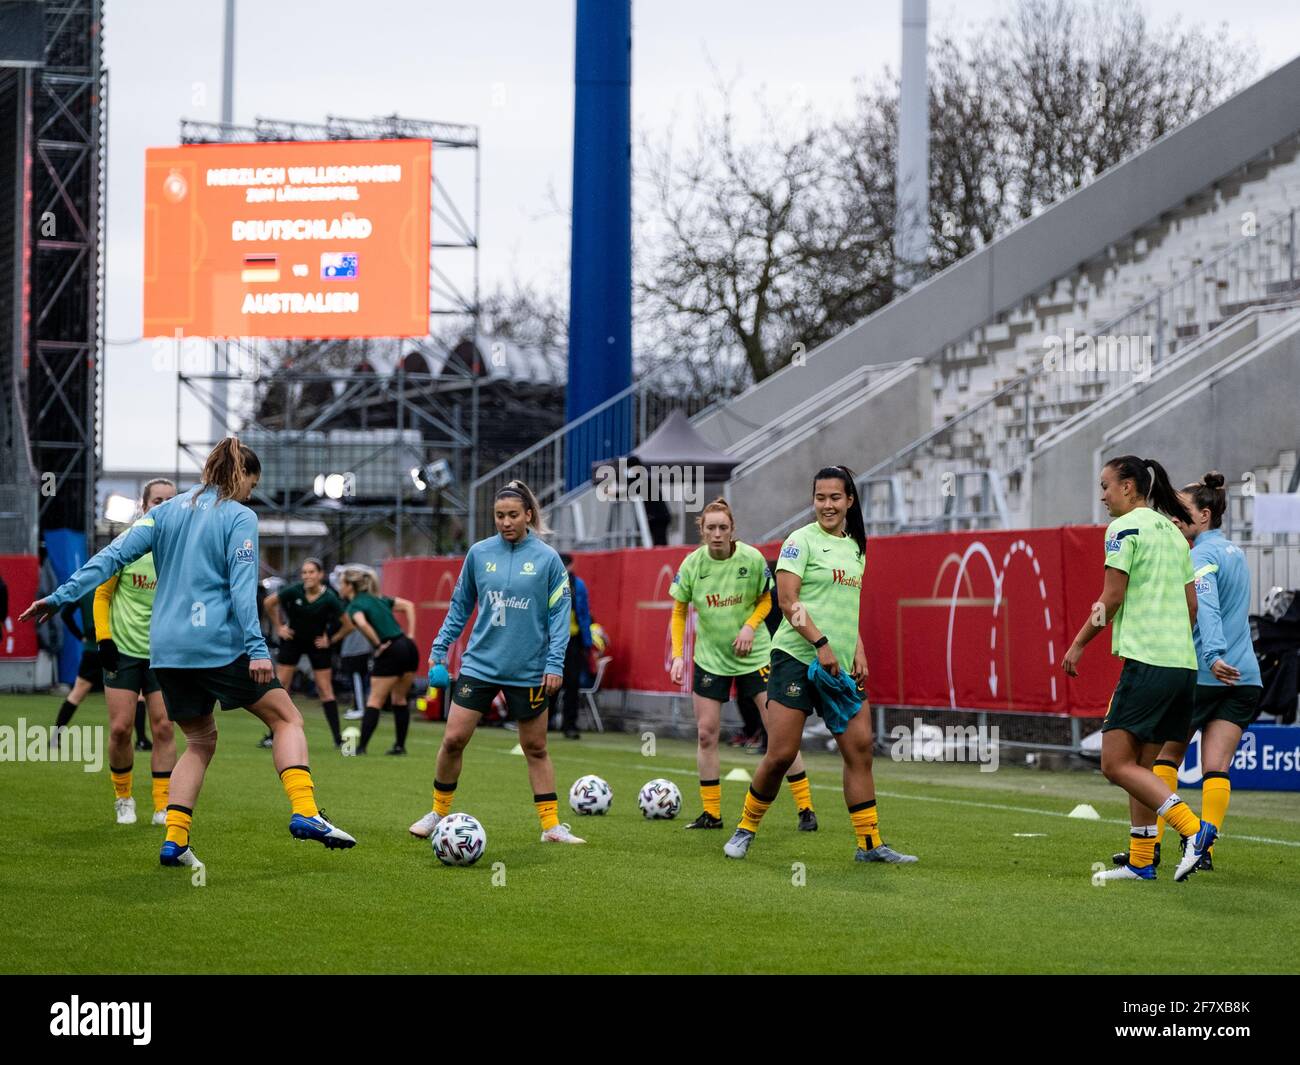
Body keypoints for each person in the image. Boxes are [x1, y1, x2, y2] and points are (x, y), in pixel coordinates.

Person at [20, 437, 356, 870]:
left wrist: (60, 596)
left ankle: (175, 842)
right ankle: (306, 811)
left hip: (166, 651)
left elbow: (110, 557)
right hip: (216, 644)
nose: (251, 493)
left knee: (199, 740)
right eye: (251, 483)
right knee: (286, 718)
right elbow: (241, 586)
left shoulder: (163, 511)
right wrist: (257, 649)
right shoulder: (239, 516)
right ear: (240, 476)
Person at [723, 466, 915, 865]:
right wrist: (821, 643)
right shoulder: (799, 541)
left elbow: (844, 608)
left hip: (839, 664)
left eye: (834, 498)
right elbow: (788, 602)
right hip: (796, 657)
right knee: (780, 753)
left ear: (849, 501)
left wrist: (856, 648)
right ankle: (745, 829)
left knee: (860, 751)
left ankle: (869, 845)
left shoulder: (857, 548)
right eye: (820, 497)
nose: (827, 505)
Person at [1063, 455, 1215, 883]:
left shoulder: (1123, 528)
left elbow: (1110, 600)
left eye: (1106, 486)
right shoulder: (1174, 532)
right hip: (1181, 666)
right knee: (1141, 769)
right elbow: (1191, 606)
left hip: (1147, 663)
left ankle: (1193, 829)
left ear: (1129, 487)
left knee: (1114, 764)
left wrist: (1077, 645)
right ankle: (1143, 858)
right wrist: (1171, 642)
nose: (1103, 496)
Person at [410, 480, 581, 845]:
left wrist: (555, 664)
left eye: (513, 515)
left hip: (530, 669)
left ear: (529, 516)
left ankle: (551, 827)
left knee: (535, 748)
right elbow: (460, 607)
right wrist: (439, 648)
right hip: (480, 666)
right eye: (499, 516)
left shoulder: (548, 559)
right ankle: (438, 813)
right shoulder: (479, 554)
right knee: (454, 738)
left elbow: (559, 616)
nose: (505, 522)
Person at [1111, 471, 1262, 874]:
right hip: (1246, 675)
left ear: (1206, 514)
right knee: (1217, 765)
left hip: (1209, 672)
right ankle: (1204, 851)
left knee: (1162, 758)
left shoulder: (1199, 556)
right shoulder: (1235, 552)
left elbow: (1206, 607)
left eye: (1183, 511)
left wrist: (1212, 654)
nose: (1175, 517)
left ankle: (1156, 846)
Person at [669, 497, 817, 831]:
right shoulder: (692, 564)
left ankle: (806, 808)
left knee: (780, 733)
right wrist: (678, 655)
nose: (717, 533)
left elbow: (767, 599)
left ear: (732, 529)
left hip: (756, 657)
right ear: (702, 531)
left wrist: (750, 626)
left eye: (723, 527)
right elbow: (679, 611)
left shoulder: (750, 559)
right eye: (711, 528)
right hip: (710, 659)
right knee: (706, 734)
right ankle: (712, 814)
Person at [93, 477, 179, 825]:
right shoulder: (126, 544)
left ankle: (163, 805)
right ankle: (123, 797)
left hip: (164, 654)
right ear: (144, 506)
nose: (162, 506)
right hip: (124, 650)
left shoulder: (179, 552)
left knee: (163, 728)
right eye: (157, 500)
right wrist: (105, 639)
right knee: (120, 729)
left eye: (169, 501)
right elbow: (101, 595)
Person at [259, 558, 352, 750]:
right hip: (293, 640)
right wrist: (279, 627)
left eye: (311, 572)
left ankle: (338, 739)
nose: (307, 576)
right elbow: (269, 603)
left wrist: (331, 639)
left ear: (320, 575)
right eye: (304, 572)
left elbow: (348, 624)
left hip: (316, 643)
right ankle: (272, 735)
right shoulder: (294, 590)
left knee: (325, 689)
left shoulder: (329, 598)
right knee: (281, 686)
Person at [339, 568, 417, 755]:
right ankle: (399, 746)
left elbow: (362, 623)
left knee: (374, 699)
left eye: (342, 583)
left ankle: (361, 747)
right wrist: (411, 635)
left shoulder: (355, 605)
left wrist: (378, 643)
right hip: (408, 647)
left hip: (390, 648)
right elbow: (409, 606)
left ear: (350, 586)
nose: (340, 587)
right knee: (399, 698)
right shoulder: (379, 598)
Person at [552, 552, 592, 740]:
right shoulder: (549, 583)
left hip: (570, 640)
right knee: (550, 683)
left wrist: (587, 641)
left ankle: (568, 724)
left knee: (571, 684)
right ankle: (548, 722)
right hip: (553, 640)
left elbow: (584, 613)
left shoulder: (578, 585)